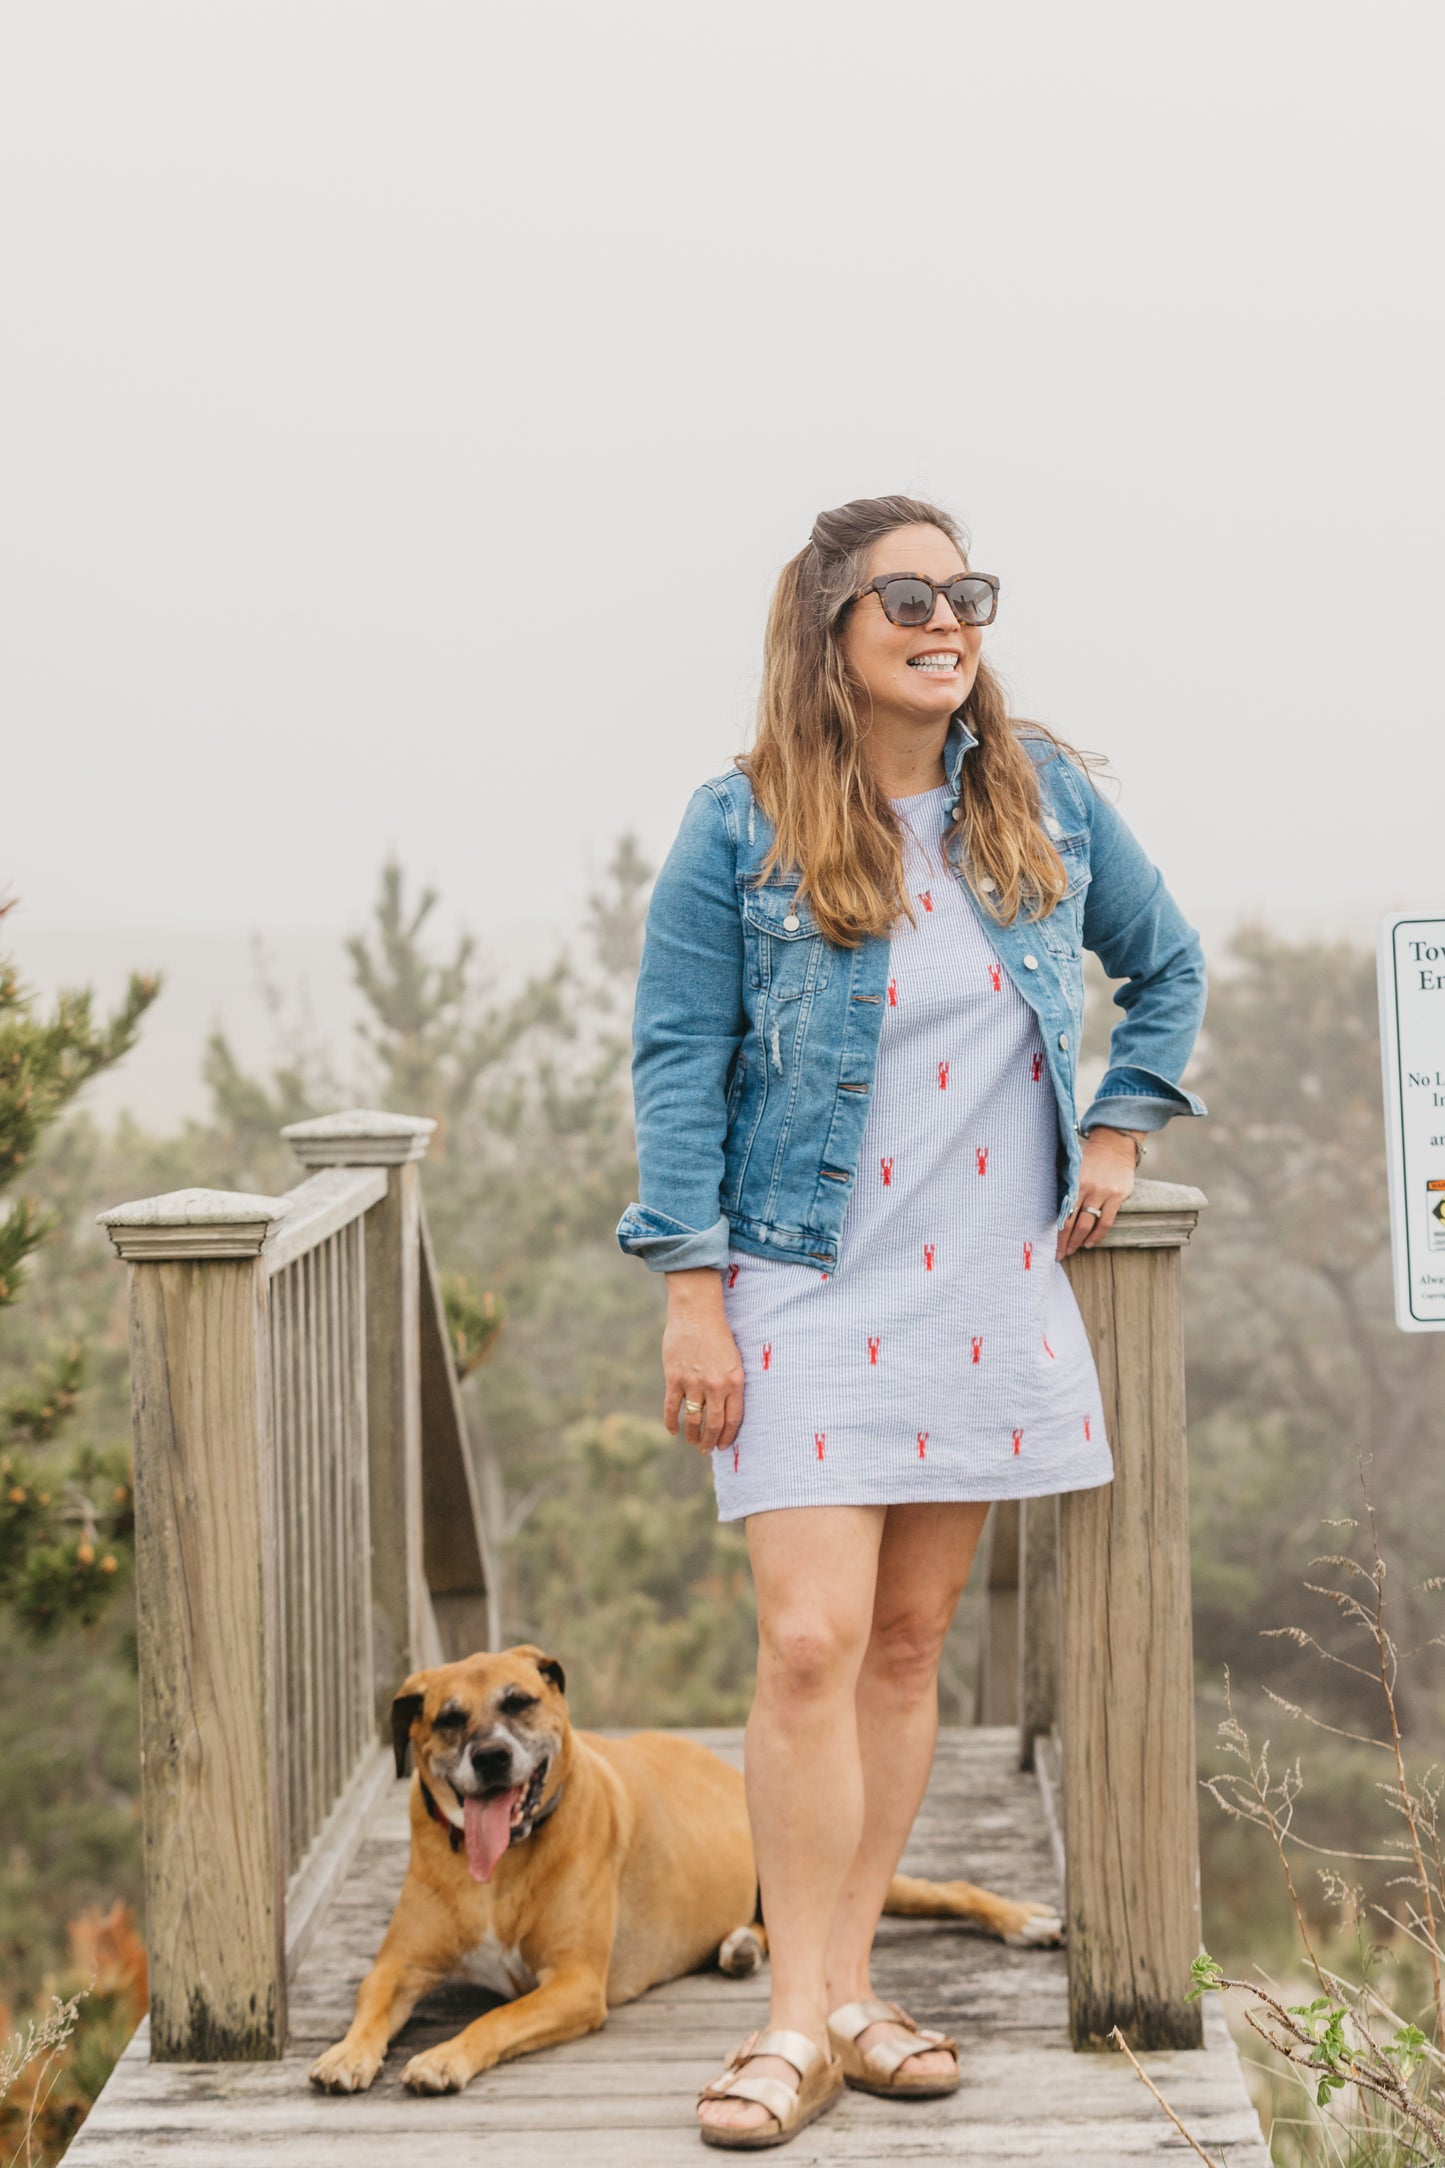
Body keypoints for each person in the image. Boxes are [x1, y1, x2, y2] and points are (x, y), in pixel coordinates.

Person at [615, 493, 1206, 2148]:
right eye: (908, 596)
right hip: (800, 1276)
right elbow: (678, 1059)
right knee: (805, 1640)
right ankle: (791, 2019)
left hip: (980, 1281)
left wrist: (1115, 1121)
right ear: (828, 627)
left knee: (899, 1644)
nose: (947, 620)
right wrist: (691, 1289)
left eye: (967, 594)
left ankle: (851, 1987)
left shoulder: (1043, 797)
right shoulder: (737, 825)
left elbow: (1165, 968)